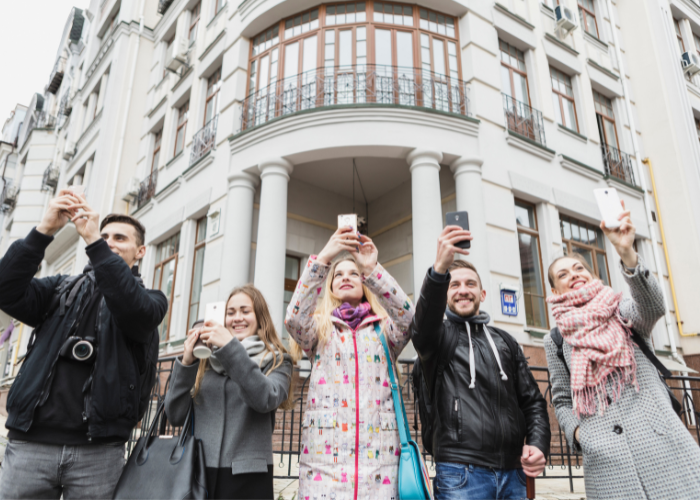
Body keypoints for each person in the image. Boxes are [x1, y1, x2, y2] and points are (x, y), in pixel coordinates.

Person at [0, 190, 167, 499]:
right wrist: (44, 230)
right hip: (31, 443)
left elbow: (132, 308)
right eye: (105, 236)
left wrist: (95, 243)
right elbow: (5, 290)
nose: (110, 243)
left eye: (120, 238)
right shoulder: (59, 288)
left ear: (140, 251)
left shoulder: (151, 300)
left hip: (98, 452)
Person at [544, 203, 700, 500]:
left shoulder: (621, 310)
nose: (573, 274)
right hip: (605, 461)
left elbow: (651, 307)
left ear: (592, 275)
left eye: (579, 268)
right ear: (555, 291)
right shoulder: (556, 339)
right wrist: (580, 436)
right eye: (562, 274)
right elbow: (562, 399)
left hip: (663, 447)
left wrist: (627, 254)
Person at [411, 226, 551, 500]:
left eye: (470, 284)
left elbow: (533, 402)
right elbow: (421, 330)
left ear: (483, 294)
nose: (463, 290)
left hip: (514, 474)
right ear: (445, 295)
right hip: (461, 473)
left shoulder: (506, 341)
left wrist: (537, 444)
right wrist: (439, 269)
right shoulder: (438, 338)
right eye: (455, 285)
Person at [285, 226, 414, 500]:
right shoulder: (318, 331)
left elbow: (409, 318)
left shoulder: (385, 332)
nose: (346, 278)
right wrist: (324, 259)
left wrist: (372, 268)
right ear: (329, 286)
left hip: (380, 472)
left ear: (366, 282)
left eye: (354, 274)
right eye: (338, 275)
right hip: (325, 472)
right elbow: (293, 319)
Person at [164, 285, 295, 500]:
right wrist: (187, 363)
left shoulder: (277, 360)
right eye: (230, 312)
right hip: (197, 473)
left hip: (247, 478)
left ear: (259, 317)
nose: (237, 318)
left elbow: (265, 399)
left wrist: (230, 348)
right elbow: (175, 415)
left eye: (245, 311)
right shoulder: (204, 360)